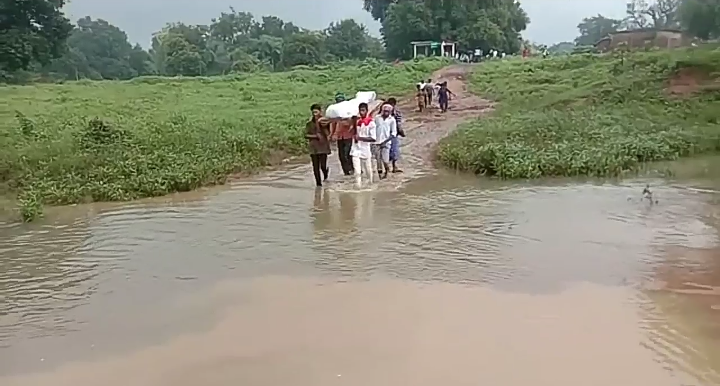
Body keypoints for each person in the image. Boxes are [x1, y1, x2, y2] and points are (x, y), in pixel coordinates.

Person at [350, 103, 376, 187]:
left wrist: (360, 138)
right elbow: (352, 133)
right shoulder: (357, 122)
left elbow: (373, 138)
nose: (361, 112)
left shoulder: (371, 123)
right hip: (355, 149)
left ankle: (370, 184)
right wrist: (353, 124)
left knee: (368, 170)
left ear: (367, 111)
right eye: (360, 110)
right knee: (357, 171)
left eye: (363, 110)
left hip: (365, 149)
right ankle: (358, 187)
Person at [305, 103, 331, 187]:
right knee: (315, 167)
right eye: (313, 112)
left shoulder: (325, 122)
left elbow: (328, 133)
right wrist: (315, 136)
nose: (314, 114)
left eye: (316, 112)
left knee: (323, 165)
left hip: (323, 146)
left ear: (320, 112)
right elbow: (306, 135)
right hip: (313, 147)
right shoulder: (309, 123)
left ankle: (325, 174)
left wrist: (324, 126)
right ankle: (318, 184)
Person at [329, 92, 354, 176]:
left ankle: (352, 169)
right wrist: (331, 134)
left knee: (348, 153)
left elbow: (349, 123)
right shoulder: (336, 114)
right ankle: (346, 172)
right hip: (340, 137)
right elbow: (332, 124)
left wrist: (342, 120)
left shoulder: (348, 112)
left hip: (348, 136)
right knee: (341, 155)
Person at [372, 104, 397, 180]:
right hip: (376, 142)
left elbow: (393, 133)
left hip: (386, 143)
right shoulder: (377, 118)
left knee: (385, 161)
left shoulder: (392, 120)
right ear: (382, 110)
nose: (386, 112)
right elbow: (373, 128)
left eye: (388, 111)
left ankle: (386, 171)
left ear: (390, 112)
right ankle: (380, 176)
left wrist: (385, 141)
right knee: (378, 160)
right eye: (385, 111)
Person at [386, 97, 404, 173]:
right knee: (394, 150)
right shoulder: (397, 113)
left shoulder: (384, 113)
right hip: (393, 134)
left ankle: (388, 168)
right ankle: (393, 167)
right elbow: (399, 124)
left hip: (386, 135)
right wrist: (401, 132)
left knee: (387, 150)